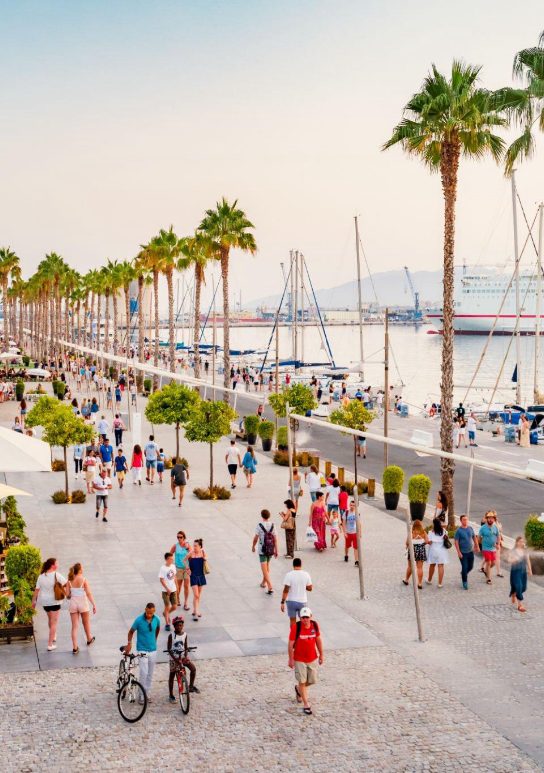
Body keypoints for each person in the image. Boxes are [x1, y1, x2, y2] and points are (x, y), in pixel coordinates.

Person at [288, 607, 324, 716]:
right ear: (300, 618)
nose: (305, 619)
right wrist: (291, 659)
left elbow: (318, 640)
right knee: (302, 681)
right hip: (299, 659)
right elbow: (290, 644)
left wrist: (321, 654)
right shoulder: (296, 627)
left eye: (307, 617)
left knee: (312, 680)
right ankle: (306, 704)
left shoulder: (315, 625)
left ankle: (298, 689)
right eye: (303, 617)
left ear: (310, 617)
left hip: (312, 658)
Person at [125, 602, 160, 701]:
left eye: (151, 613)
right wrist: (129, 643)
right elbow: (131, 631)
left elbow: (157, 629)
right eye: (148, 613)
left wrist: (155, 640)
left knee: (150, 673)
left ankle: (146, 693)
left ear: (154, 611)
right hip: (142, 649)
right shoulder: (139, 620)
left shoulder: (157, 619)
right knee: (144, 672)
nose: (149, 615)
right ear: (145, 610)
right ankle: (141, 694)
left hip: (153, 650)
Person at [32, 557, 69, 651]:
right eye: (57, 563)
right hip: (55, 601)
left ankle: (53, 635)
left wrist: (33, 602)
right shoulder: (56, 575)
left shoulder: (41, 576)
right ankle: (50, 644)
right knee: (54, 623)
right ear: (53, 565)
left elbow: (36, 590)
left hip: (45, 602)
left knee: (50, 619)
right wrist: (66, 592)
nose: (58, 565)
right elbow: (67, 583)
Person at [167, 616, 199, 702]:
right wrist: (175, 659)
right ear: (174, 626)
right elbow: (169, 650)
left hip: (182, 657)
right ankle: (171, 695)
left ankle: (191, 686)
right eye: (177, 626)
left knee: (193, 669)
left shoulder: (185, 634)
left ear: (183, 626)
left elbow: (185, 646)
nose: (179, 627)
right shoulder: (171, 636)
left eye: (181, 625)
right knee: (172, 675)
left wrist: (185, 655)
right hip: (174, 659)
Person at [67, 562, 96, 654]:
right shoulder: (83, 579)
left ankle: (75, 647)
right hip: (83, 603)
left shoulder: (69, 580)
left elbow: (67, 595)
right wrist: (94, 604)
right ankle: (89, 638)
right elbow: (88, 593)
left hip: (73, 603)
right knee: (86, 623)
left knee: (74, 626)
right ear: (80, 570)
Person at [252, 509, 278, 593]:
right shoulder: (273, 525)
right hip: (270, 548)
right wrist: (276, 550)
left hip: (262, 550)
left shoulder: (259, 525)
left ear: (262, 516)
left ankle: (270, 586)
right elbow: (275, 539)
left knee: (264, 568)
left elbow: (256, 538)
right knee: (267, 566)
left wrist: (253, 546)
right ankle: (263, 582)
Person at [281, 557, 312, 623]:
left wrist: (282, 602)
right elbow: (310, 588)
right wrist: (303, 586)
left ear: (293, 565)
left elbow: (286, 590)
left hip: (291, 601)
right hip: (302, 602)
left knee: (292, 621)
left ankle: (293, 633)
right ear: (301, 565)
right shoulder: (306, 574)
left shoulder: (289, 575)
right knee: (303, 621)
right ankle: (301, 633)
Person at [454, 514, 480, 589]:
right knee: (464, 567)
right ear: (461, 521)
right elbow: (456, 542)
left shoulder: (470, 528)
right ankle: (464, 582)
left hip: (470, 552)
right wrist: (459, 552)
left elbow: (474, 537)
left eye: (466, 519)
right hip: (463, 553)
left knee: (471, 567)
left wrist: (477, 546)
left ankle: (463, 573)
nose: (465, 521)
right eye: (464, 520)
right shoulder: (458, 531)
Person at [402, 519, 428, 589]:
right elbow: (427, 541)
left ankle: (406, 580)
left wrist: (407, 547)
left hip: (412, 550)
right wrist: (422, 543)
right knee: (420, 567)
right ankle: (419, 583)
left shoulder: (411, 532)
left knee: (410, 566)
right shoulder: (423, 532)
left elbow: (407, 542)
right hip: (421, 550)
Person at [508, 536, 532, 612]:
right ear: (516, 542)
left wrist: (530, 569)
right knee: (519, 586)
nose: (521, 543)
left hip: (523, 572)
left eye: (522, 542)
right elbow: (509, 560)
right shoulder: (513, 551)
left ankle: (513, 592)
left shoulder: (525, 551)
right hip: (515, 572)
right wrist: (514, 560)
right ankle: (520, 605)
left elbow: (528, 560)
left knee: (524, 587)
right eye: (520, 541)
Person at [170, 530, 192, 610]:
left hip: (186, 568)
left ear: (184, 537)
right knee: (178, 586)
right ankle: (178, 599)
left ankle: (186, 603)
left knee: (186, 586)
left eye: (181, 537)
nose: (179, 539)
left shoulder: (188, 545)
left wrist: (187, 549)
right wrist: (171, 564)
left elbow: (192, 554)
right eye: (178, 537)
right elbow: (170, 554)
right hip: (178, 568)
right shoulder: (175, 546)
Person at [425, 517, 449, 587]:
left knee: (432, 565)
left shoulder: (431, 532)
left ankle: (429, 580)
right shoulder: (444, 531)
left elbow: (429, 542)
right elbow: (446, 538)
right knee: (440, 566)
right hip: (441, 551)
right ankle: (440, 583)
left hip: (433, 551)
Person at [479, 510, 500, 585]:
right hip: (485, 548)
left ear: (494, 519)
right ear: (486, 519)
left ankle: (486, 570)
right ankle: (489, 579)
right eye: (489, 518)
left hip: (493, 548)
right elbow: (479, 537)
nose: (490, 519)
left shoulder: (495, 527)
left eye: (492, 518)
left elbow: (498, 536)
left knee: (493, 563)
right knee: (488, 562)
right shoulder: (483, 528)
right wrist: (481, 543)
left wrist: (498, 544)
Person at [188, 539, 207, 621]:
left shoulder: (202, 552)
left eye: (196, 546)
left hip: (201, 575)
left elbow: (206, 559)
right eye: (193, 545)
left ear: (200, 546)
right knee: (196, 595)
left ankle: (195, 609)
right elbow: (184, 560)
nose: (194, 547)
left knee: (198, 595)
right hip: (193, 576)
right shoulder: (191, 553)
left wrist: (205, 557)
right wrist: (187, 568)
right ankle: (196, 612)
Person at [158, 552, 177, 632]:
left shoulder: (173, 566)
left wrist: (177, 587)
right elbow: (161, 580)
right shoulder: (163, 568)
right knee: (167, 606)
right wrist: (167, 589)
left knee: (174, 606)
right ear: (166, 559)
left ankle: (166, 613)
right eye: (170, 559)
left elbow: (174, 576)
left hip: (173, 589)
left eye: (172, 559)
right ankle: (167, 624)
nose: (172, 560)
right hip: (165, 591)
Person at [341, 500, 359, 564]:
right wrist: (344, 532)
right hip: (348, 533)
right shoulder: (346, 513)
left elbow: (359, 524)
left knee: (356, 547)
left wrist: (359, 533)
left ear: (355, 506)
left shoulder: (357, 513)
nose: (352, 506)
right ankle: (346, 555)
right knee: (347, 546)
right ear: (349, 505)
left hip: (355, 533)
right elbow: (343, 523)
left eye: (353, 505)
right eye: (351, 505)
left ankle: (356, 560)